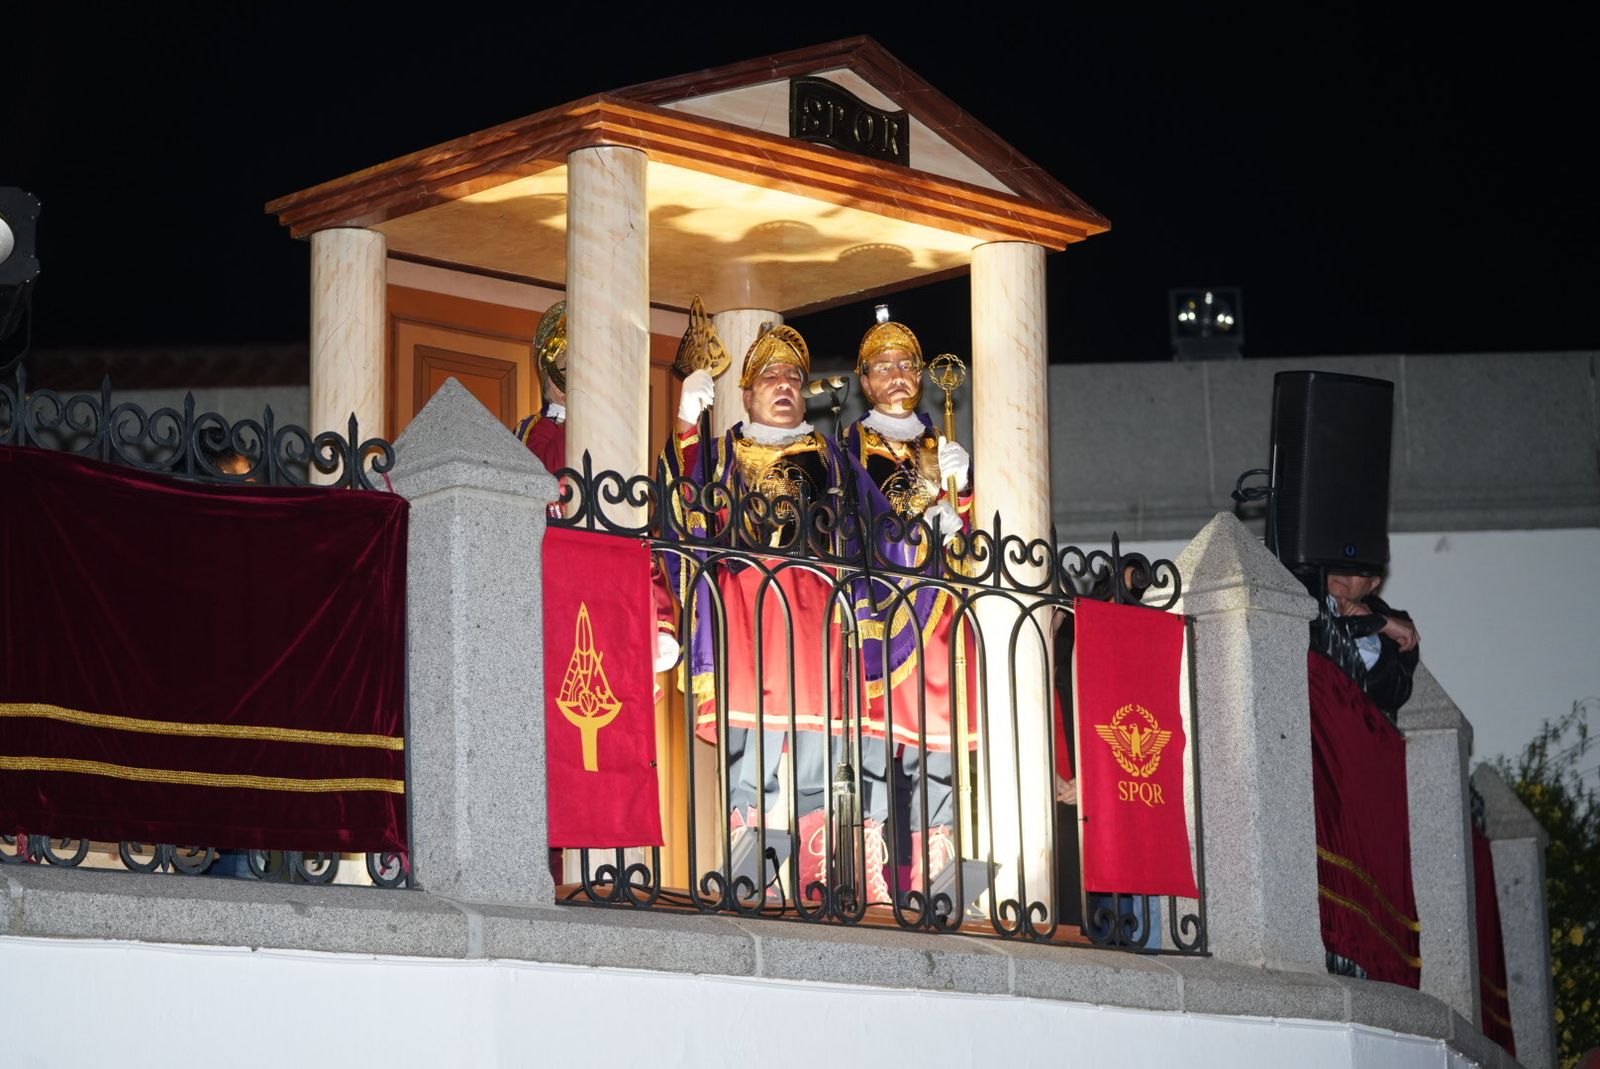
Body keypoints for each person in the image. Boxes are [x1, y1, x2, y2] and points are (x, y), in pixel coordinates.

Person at [668, 325, 852, 903]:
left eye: (795, 378)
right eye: (769, 378)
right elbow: (688, 507)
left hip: (818, 615)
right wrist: (684, 429)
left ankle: (814, 881)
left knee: (818, 752)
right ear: (745, 396)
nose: (784, 386)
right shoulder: (723, 449)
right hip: (751, 614)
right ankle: (751, 878)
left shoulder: (832, 456)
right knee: (754, 752)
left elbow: (864, 532)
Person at [839, 316, 976, 906]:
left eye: (906, 366)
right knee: (875, 749)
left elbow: (972, 550)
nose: (897, 376)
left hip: (939, 613)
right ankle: (871, 879)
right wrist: (926, 502)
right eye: (883, 366)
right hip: (881, 614)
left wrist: (962, 495)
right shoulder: (848, 447)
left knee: (935, 750)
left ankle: (936, 884)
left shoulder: (938, 443)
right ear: (864, 381)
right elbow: (855, 523)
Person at [1320, 570, 1420, 720]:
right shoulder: (1300, 595)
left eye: (1358, 569)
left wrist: (1372, 624)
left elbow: (1393, 692)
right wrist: (1377, 623)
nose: (1345, 572)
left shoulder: (1398, 624)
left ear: (1372, 584)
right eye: (1339, 561)